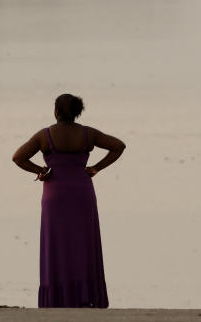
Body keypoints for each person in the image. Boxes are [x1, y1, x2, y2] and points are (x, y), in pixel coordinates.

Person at [12, 93, 125, 308]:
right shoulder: (88, 134)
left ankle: (57, 298)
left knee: (57, 245)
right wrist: (96, 168)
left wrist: (41, 171)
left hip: (54, 195)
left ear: (56, 111)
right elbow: (119, 146)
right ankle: (86, 296)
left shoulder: (44, 135)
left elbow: (18, 157)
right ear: (77, 112)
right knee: (83, 244)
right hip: (82, 192)